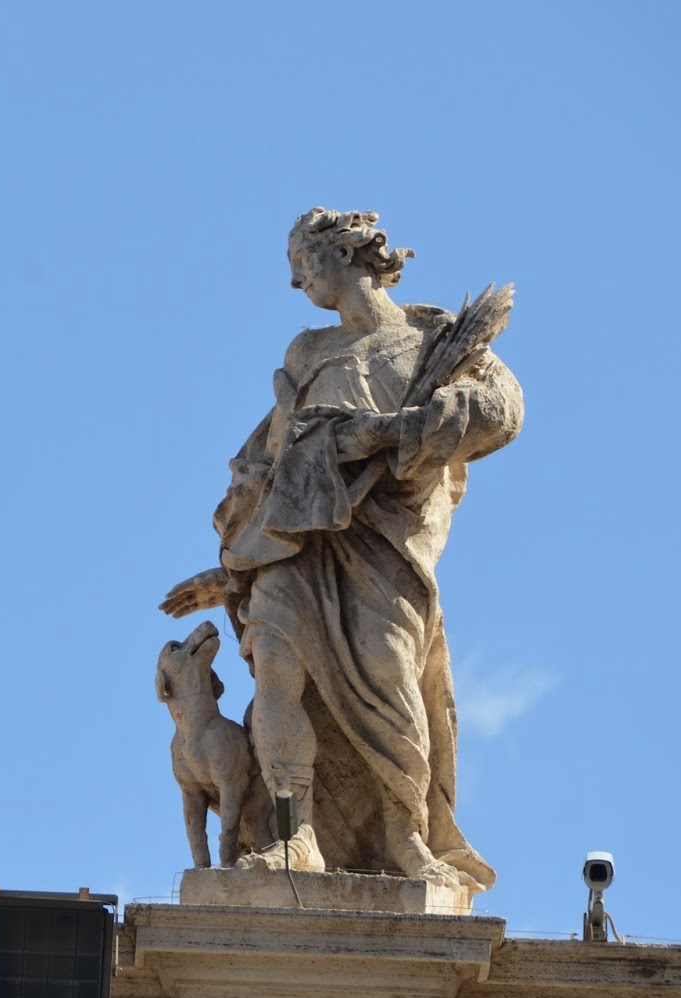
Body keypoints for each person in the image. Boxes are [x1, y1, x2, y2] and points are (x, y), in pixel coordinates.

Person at [161, 209, 521, 890]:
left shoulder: (435, 338)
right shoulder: (306, 352)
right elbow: (268, 461)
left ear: (347, 253)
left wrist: (395, 431)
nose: (296, 280)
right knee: (275, 672)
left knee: (389, 675)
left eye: (303, 260)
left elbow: (503, 410)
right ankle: (293, 835)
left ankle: (406, 836)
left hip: (384, 543)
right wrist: (235, 563)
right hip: (295, 547)